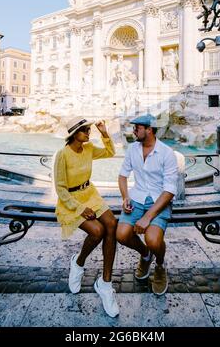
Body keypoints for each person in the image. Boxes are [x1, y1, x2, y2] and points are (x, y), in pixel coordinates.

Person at [53, 116, 119, 317]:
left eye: (89, 130)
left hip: (90, 194)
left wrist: (104, 133)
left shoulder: (89, 149)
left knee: (112, 225)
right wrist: (80, 208)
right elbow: (60, 189)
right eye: (85, 130)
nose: (89, 133)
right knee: (97, 231)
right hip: (71, 201)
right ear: (74, 133)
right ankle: (79, 262)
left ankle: (105, 283)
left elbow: (110, 152)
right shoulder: (62, 155)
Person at [116, 114, 178, 295]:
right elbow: (122, 175)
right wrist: (125, 197)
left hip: (160, 201)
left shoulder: (167, 153)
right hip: (137, 198)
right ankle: (145, 255)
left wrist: (147, 217)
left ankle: (159, 264)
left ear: (149, 130)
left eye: (137, 128)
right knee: (121, 235)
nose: (134, 131)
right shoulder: (133, 149)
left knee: (153, 239)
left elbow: (169, 191)